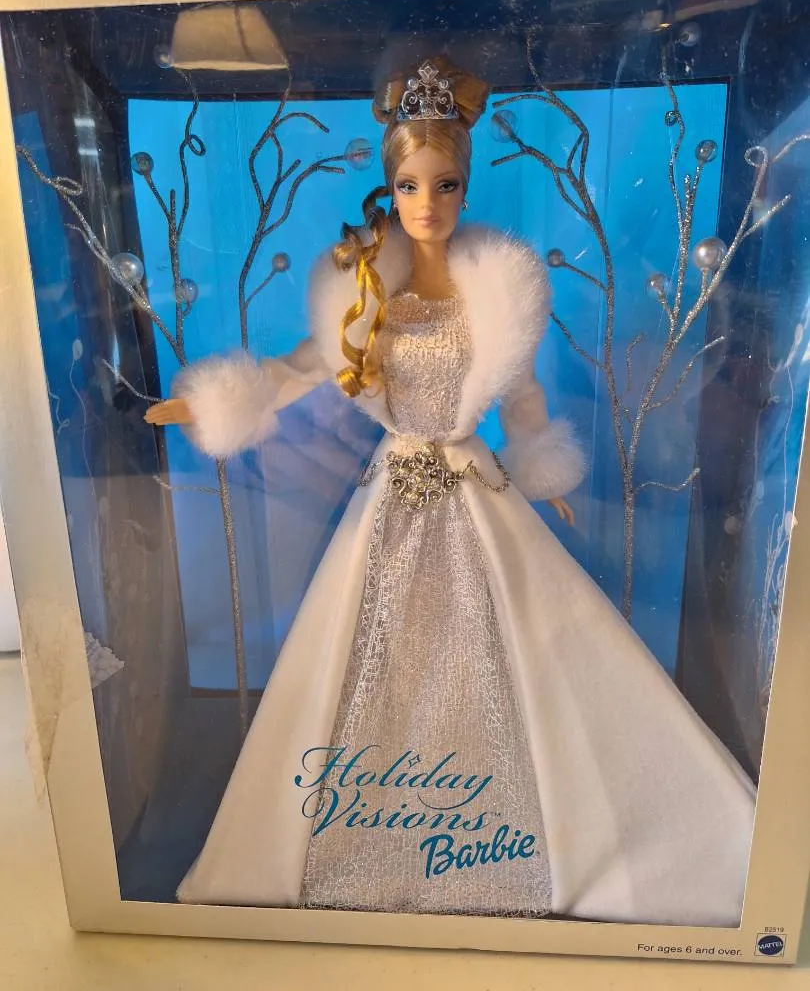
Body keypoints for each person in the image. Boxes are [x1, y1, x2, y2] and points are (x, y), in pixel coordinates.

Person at [146, 56, 755, 925]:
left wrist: (543, 466)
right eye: (408, 185)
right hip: (391, 496)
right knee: (369, 656)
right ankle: (361, 836)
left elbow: (522, 395)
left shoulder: (493, 292)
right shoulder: (370, 289)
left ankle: (529, 837)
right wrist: (215, 402)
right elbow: (302, 368)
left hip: (475, 488)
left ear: (464, 188)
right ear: (390, 189)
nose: (426, 204)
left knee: (517, 653)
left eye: (444, 185)